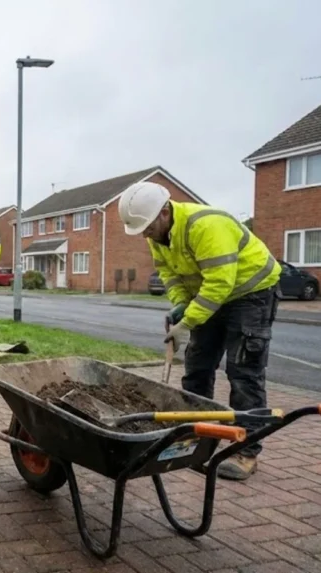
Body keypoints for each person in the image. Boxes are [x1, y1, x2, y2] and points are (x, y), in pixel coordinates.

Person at [119, 181, 281, 481]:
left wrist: (187, 324)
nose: (144, 234)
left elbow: (220, 283)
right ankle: (194, 440)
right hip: (210, 296)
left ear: (165, 212)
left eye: (147, 227)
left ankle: (245, 452)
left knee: (244, 373)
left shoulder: (207, 226)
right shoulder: (156, 233)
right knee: (197, 368)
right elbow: (168, 273)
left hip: (251, 294)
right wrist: (181, 305)